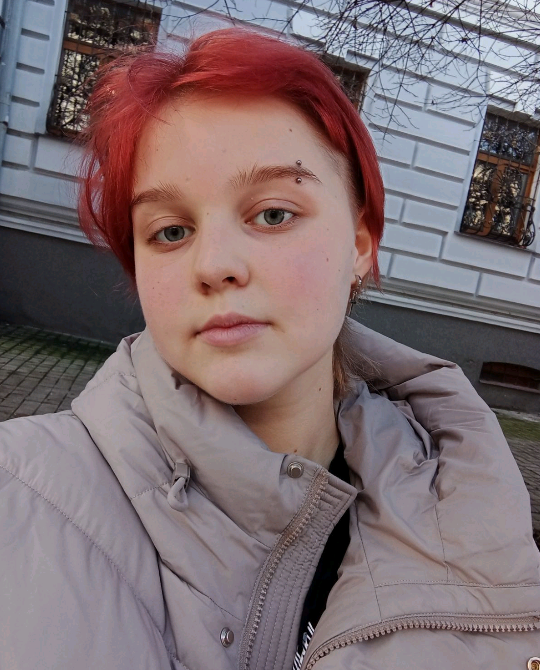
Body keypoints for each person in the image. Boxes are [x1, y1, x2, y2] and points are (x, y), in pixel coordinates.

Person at [0, 27, 539, 670]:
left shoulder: (476, 512)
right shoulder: (19, 495)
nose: (215, 265)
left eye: (274, 214)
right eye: (169, 231)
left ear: (360, 244)